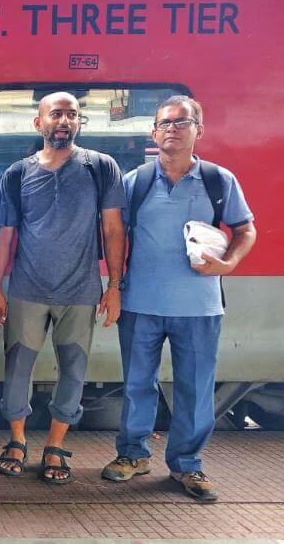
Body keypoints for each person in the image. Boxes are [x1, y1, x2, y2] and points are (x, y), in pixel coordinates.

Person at [101, 96, 256, 502]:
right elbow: (115, 236)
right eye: (165, 123)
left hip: (199, 308)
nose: (172, 128)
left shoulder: (218, 180)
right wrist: (115, 287)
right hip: (140, 304)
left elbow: (246, 230)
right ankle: (133, 455)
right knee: (137, 384)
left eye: (182, 122)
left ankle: (187, 466)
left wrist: (229, 264)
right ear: (154, 132)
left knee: (195, 387)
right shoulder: (135, 182)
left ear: (198, 131)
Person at [0, 92, 126, 484]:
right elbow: (5, 235)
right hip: (26, 290)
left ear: (80, 122)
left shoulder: (101, 167)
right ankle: (16, 442)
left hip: (81, 291)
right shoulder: (17, 173)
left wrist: (113, 285)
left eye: (72, 114)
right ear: (39, 123)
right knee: (17, 371)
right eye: (56, 114)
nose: (64, 120)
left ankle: (55, 446)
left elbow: (113, 228)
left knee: (74, 371)